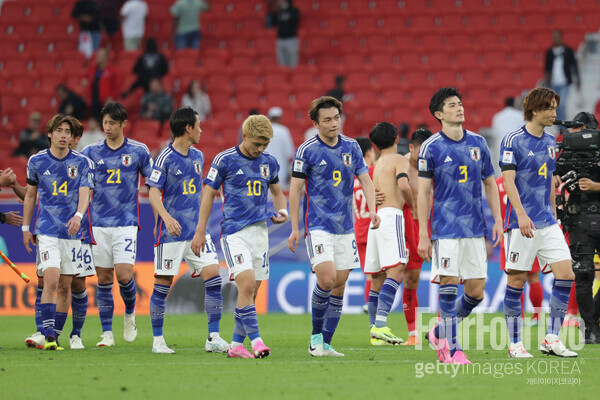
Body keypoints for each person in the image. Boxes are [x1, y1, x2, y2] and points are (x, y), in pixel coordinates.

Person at [288, 96, 380, 357]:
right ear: (316, 124)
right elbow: (295, 191)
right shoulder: (307, 150)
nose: (333, 123)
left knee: (339, 285)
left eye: (336, 118)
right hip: (318, 225)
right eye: (327, 120)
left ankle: (326, 343)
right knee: (326, 279)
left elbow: (367, 181)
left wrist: (372, 210)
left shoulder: (351, 147)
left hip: (345, 228)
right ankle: (315, 338)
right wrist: (295, 228)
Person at [417, 87, 503, 365]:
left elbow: (490, 182)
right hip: (445, 228)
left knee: (476, 292)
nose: (459, 108)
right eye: (452, 105)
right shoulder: (431, 147)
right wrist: (423, 233)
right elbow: (423, 192)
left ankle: (439, 332)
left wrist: (498, 221)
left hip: (475, 229)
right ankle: (452, 350)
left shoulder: (478, 142)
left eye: (460, 103)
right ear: (439, 114)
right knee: (449, 283)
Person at [193, 114, 288, 358]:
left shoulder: (269, 162)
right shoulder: (224, 160)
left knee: (251, 292)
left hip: (260, 233)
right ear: (244, 136)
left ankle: (236, 345)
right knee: (245, 284)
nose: (260, 149)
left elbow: (277, 192)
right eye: (256, 143)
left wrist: (283, 210)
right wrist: (200, 231)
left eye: (264, 145)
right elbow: (208, 194)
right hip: (234, 232)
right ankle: (256, 341)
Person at [500, 87, 577, 358]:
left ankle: (551, 338)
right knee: (517, 279)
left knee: (566, 274)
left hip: (547, 221)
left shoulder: (550, 141)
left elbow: (549, 182)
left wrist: (555, 215)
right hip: (522, 222)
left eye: (555, 107)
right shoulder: (513, 139)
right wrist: (521, 214)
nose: (555, 113)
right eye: (550, 108)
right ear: (534, 110)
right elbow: (508, 180)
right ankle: (514, 344)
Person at [145, 107, 228, 354]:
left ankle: (213, 337)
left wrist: (201, 227)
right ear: (188, 128)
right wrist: (167, 218)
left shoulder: (199, 156)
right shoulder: (165, 158)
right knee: (162, 285)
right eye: (198, 125)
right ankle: (158, 341)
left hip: (195, 232)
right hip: (170, 233)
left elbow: (201, 192)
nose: (202, 129)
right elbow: (152, 192)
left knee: (213, 277)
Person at [81, 102, 153, 347]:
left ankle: (130, 311)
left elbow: (153, 184)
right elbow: (81, 186)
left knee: (124, 275)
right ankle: (107, 334)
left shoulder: (139, 151)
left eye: (112, 123)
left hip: (126, 222)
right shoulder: (90, 153)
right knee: (103, 279)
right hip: (98, 223)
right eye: (105, 122)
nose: (107, 127)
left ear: (124, 124)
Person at [24, 117, 96, 350]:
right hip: (46, 231)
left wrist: (78, 215)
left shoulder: (83, 162)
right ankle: (46, 334)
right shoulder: (36, 161)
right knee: (51, 280)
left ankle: (54, 335)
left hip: (72, 233)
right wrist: (26, 228)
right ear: (49, 134)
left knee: (66, 285)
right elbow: (30, 195)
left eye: (67, 131)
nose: (64, 135)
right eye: (59, 131)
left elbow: (85, 192)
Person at [365, 122, 414, 345]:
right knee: (397, 270)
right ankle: (381, 325)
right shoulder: (399, 160)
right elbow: (403, 186)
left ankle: (375, 332)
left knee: (377, 278)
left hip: (375, 220)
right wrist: (413, 206)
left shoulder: (375, 164)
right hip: (392, 216)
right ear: (396, 139)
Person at [558, 111, 600, 343]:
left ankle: (593, 319)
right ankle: (591, 330)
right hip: (579, 220)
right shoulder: (566, 154)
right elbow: (550, 175)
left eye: (580, 129)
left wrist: (595, 186)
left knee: (585, 277)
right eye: (574, 130)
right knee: (584, 275)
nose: (577, 134)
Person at [496, 176, 545, 327]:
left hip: (509, 232)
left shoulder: (498, 183)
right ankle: (537, 316)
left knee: (515, 278)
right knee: (533, 278)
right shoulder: (529, 180)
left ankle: (520, 317)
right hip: (531, 229)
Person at [400, 127, 433, 345]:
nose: (424, 157)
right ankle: (413, 334)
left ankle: (442, 329)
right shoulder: (399, 166)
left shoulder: (433, 166)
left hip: (429, 224)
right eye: (420, 151)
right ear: (411, 148)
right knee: (409, 279)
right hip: (404, 225)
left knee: (447, 277)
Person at [352, 137, 375, 318]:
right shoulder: (372, 173)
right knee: (380, 273)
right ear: (368, 153)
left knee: (369, 273)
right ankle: (375, 305)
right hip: (374, 228)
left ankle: (370, 303)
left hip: (359, 229)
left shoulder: (351, 177)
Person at [544, 30, 580, 120]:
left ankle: (563, 124)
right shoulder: (549, 52)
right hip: (553, 83)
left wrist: (578, 81)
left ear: (561, 37)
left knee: (562, 104)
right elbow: (547, 68)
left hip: (564, 82)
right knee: (554, 106)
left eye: (557, 37)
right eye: (554, 37)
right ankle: (559, 124)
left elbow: (574, 66)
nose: (555, 39)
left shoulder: (568, 51)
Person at [84, 48, 121, 120]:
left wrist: (112, 97)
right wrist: (85, 79)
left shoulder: (113, 70)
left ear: (105, 57)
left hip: (106, 102)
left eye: (99, 56)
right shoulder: (94, 68)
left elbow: (117, 86)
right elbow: (86, 75)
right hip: (94, 100)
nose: (96, 57)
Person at [491, 97, 524, 174]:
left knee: (502, 167)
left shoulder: (498, 116)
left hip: (501, 142)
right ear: (514, 104)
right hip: (515, 143)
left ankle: (501, 184)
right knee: (516, 166)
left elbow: (495, 133)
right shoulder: (520, 115)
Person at [266, 106, 295, 190]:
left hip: (265, 167)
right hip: (280, 168)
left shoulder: (265, 131)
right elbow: (289, 152)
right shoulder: (284, 131)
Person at [274, 0, 299, 69]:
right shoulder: (279, 12)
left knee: (293, 65)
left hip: (291, 39)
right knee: (282, 66)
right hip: (281, 39)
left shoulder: (293, 10)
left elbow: (294, 21)